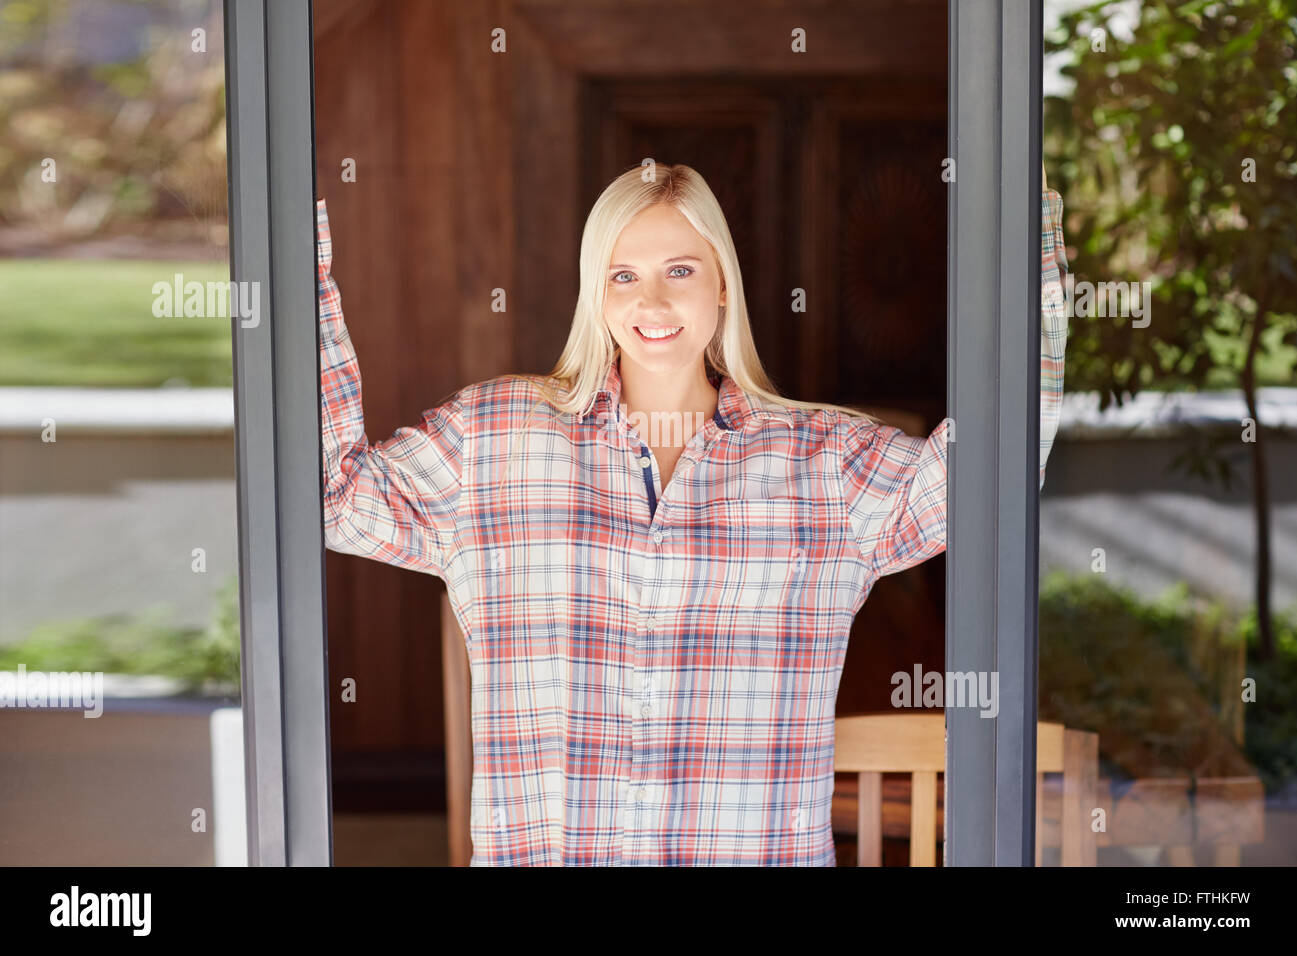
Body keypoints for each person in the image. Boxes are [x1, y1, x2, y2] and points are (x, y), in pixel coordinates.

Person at [316, 162, 1069, 865]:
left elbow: (986, 484)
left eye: (680, 269)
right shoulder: (494, 442)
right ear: (596, 294)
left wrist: (1024, 222)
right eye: (624, 276)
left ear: (721, 288)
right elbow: (339, 497)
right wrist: (299, 247)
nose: (651, 302)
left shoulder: (825, 463)